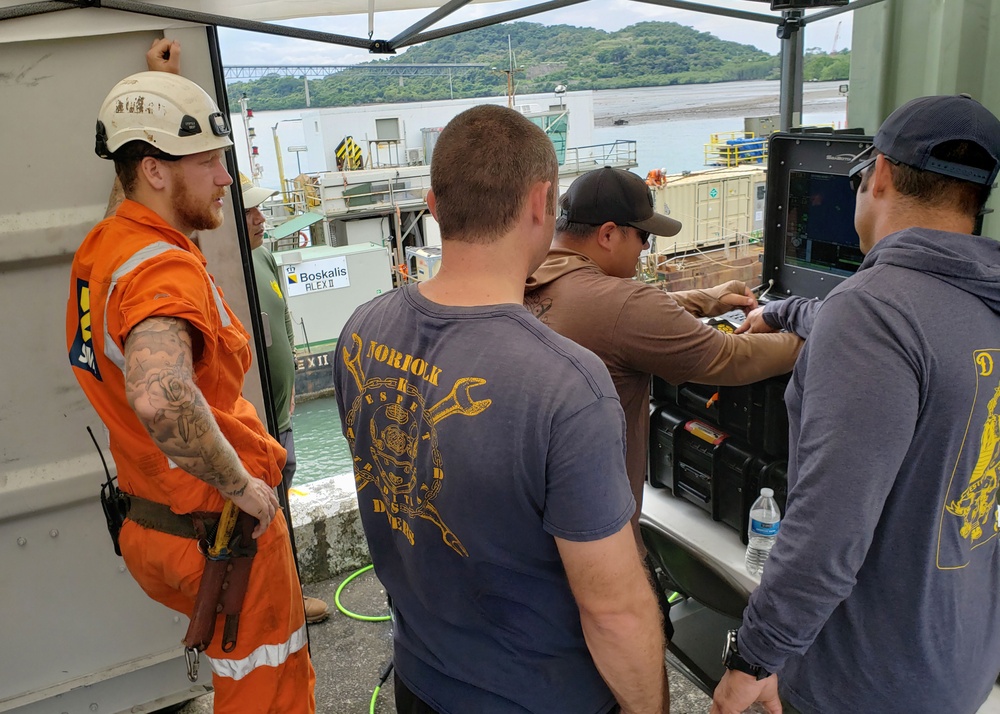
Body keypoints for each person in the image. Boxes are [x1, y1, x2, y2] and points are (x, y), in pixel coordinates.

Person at [333, 105, 668, 714]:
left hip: (420, 681)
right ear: (541, 203)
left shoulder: (361, 330)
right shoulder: (567, 385)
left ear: (434, 204)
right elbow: (614, 611)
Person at [711, 94, 1000, 714]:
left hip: (863, 679)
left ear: (883, 175)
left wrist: (753, 660)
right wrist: (779, 310)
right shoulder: (970, 304)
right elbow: (878, 318)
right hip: (960, 658)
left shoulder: (872, 314)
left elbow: (826, 532)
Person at [66, 39, 315, 712]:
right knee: (271, 683)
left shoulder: (106, 248)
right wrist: (246, 489)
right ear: (153, 170)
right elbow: (158, 393)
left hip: (153, 526)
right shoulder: (160, 271)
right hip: (222, 535)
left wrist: (161, 87)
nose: (226, 179)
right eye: (211, 163)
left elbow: (133, 192)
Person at [523, 166, 803, 543]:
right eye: (643, 236)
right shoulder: (624, 304)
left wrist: (707, 300)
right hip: (596, 533)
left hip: (534, 513)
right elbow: (731, 356)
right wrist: (821, 335)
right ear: (608, 234)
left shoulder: (530, 274)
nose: (645, 249)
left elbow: (621, 314)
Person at [242, 176, 329, 624]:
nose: (260, 219)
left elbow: (283, 320)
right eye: (250, 212)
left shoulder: (264, 256)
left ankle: (287, 590)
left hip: (280, 414)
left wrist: (291, 378)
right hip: (253, 422)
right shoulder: (224, 265)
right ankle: (278, 603)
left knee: (282, 495)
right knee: (265, 511)